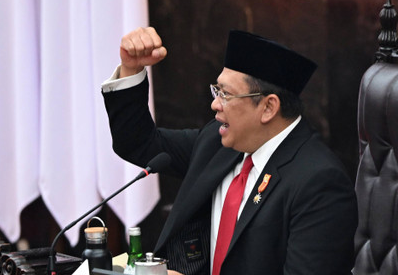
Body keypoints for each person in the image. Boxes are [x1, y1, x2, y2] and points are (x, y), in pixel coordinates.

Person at [101, 27, 357, 275]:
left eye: (226, 95)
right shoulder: (217, 143)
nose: (215, 104)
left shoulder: (319, 183)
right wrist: (131, 69)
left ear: (268, 107)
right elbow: (139, 143)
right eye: (217, 91)